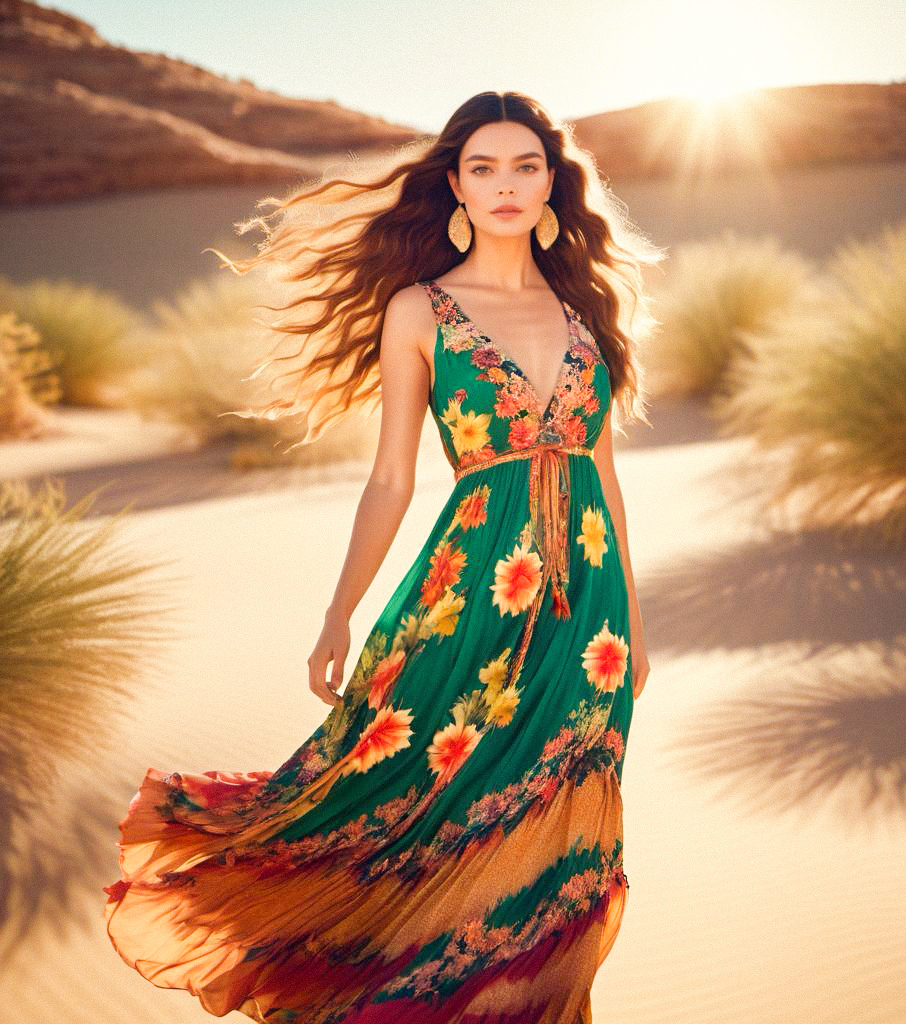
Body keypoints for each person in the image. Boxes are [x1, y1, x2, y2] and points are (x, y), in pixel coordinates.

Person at [103, 90, 661, 1024]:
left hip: (587, 626)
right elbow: (392, 481)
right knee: (429, 808)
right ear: (454, 186)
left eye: (526, 166)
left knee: (569, 841)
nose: (505, 186)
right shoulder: (421, 309)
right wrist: (338, 612)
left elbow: (603, 475)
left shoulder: (583, 308)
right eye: (483, 168)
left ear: (554, 185)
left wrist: (636, 628)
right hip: (472, 600)